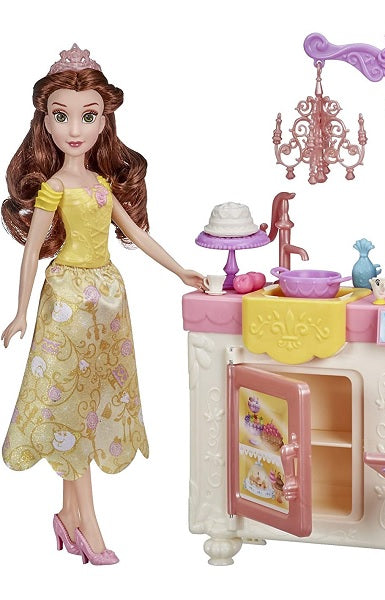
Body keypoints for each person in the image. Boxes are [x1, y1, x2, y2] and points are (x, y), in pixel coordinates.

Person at [1, 44, 203, 565]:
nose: (75, 129)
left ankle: (68, 515)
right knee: (67, 401)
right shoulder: (53, 188)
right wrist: (21, 311)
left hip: (108, 301)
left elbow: (136, 233)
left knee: (90, 402)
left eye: (87, 116)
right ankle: (88, 524)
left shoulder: (100, 184)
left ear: (103, 121)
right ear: (46, 122)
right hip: (67, 301)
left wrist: (180, 269)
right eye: (62, 116)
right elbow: (31, 251)